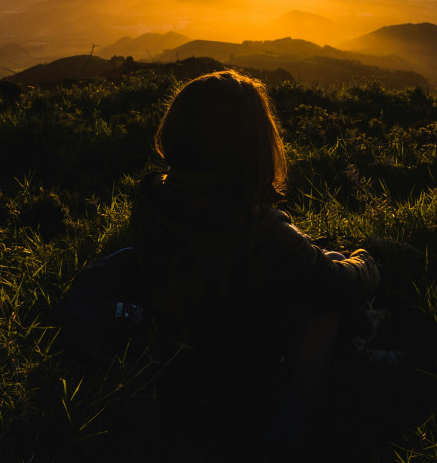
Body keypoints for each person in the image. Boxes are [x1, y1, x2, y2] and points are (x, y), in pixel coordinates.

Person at [130, 69, 380, 440]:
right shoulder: (258, 233)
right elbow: (339, 284)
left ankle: (362, 343)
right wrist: (367, 262)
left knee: (308, 269)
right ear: (254, 145)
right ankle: (360, 353)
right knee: (325, 290)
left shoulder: (151, 206)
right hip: (252, 419)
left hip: (174, 399)